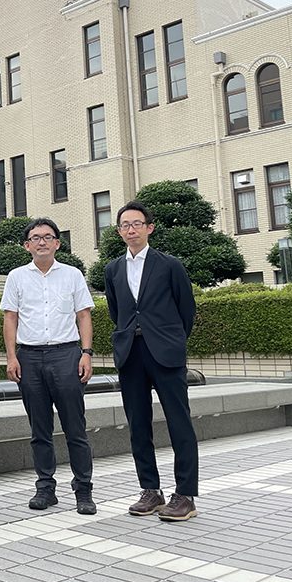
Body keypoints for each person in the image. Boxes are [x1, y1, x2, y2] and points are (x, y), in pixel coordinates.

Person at [104, 201, 199, 522]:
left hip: (165, 353)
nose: (131, 229)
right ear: (119, 231)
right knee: (138, 424)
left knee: (179, 422)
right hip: (131, 353)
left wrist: (171, 339)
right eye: (124, 225)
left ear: (149, 228)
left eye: (136, 224)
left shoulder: (169, 265)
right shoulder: (113, 269)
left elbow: (186, 310)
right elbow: (117, 312)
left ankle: (185, 494)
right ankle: (150, 490)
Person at [1, 218, 96, 515]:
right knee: (39, 428)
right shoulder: (16, 276)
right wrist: (11, 357)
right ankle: (45, 488)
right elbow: (10, 319)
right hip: (29, 357)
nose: (41, 242)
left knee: (75, 427)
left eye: (48, 237)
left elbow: (83, 316)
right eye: (35, 238)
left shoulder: (72, 275)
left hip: (66, 355)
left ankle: (84, 490)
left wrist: (86, 353)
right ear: (27, 245)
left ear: (57, 242)